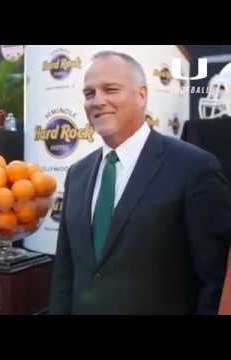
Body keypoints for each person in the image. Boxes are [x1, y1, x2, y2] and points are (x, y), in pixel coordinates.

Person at [49, 50, 231, 314]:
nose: (98, 101)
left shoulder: (194, 168)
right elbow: (65, 275)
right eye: (89, 94)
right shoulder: (77, 174)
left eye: (110, 89)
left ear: (142, 95)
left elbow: (214, 281)